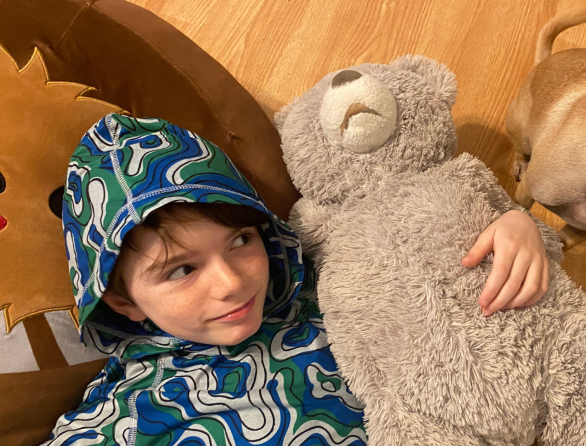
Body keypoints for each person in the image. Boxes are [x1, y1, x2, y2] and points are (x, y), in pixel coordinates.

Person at [46, 114, 548, 445]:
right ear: (121, 299)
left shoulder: (328, 283)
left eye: (241, 240)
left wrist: (513, 227)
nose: (230, 283)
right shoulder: (124, 416)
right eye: (182, 270)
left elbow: (433, 254)